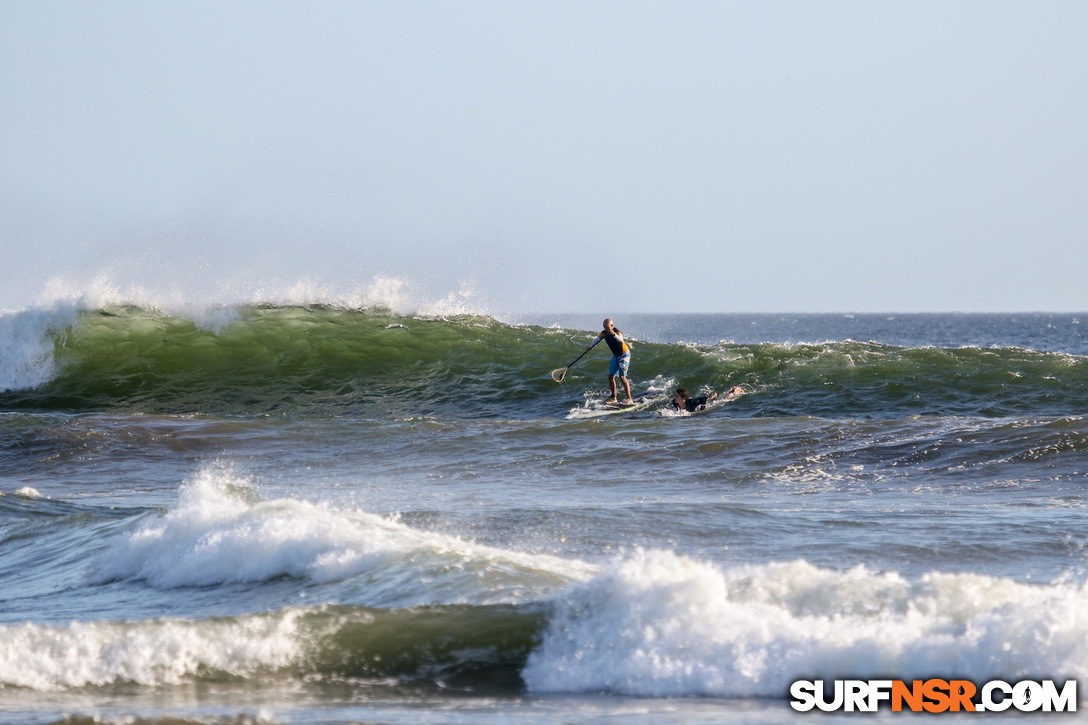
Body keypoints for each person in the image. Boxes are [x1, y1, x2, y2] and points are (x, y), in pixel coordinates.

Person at [586, 318, 633, 404]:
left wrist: (613, 334)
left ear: (612, 326)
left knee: (622, 377)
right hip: (616, 356)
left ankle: (629, 399)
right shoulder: (604, 333)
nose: (606, 330)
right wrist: (591, 346)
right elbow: (596, 340)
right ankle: (614, 398)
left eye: (607, 328)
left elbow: (621, 339)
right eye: (605, 328)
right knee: (611, 376)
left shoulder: (617, 331)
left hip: (624, 354)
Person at [671, 386, 743, 413]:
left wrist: (712, 398)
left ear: (683, 399)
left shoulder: (693, 403)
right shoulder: (675, 402)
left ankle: (733, 391)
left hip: (705, 402)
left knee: (722, 400)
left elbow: (704, 400)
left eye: (677, 396)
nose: (675, 398)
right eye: (675, 396)